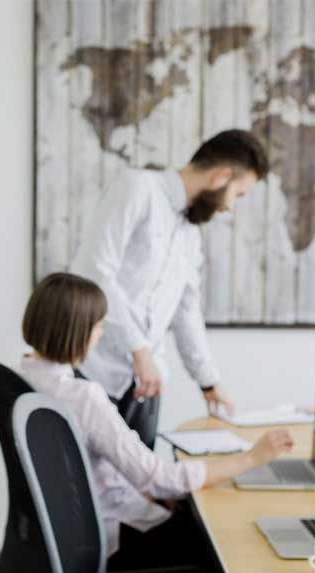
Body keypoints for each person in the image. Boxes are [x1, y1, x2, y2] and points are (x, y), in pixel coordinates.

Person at [16, 272, 293, 573]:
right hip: (109, 537)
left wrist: (151, 492)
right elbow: (160, 478)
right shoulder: (82, 397)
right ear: (77, 331)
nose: (102, 333)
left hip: (60, 534)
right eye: (99, 326)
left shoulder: (20, 377)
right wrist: (253, 457)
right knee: (223, 538)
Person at [70, 129, 270, 448]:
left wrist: (209, 382)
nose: (232, 207)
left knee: (141, 491)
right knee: (84, 490)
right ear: (222, 176)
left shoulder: (190, 233)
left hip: (145, 386)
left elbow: (186, 311)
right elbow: (94, 274)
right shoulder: (137, 189)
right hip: (94, 373)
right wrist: (139, 349)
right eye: (239, 194)